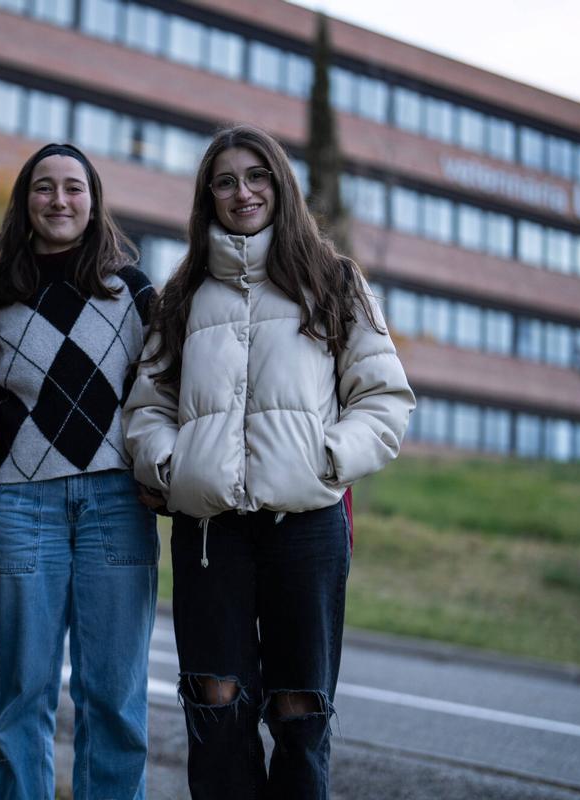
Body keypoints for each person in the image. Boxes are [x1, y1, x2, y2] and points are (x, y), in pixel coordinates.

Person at [123, 124, 415, 799]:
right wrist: (173, 468)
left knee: (299, 708)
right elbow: (147, 407)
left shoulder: (332, 280)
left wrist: (324, 459)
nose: (242, 192)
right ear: (209, 198)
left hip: (307, 526)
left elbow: (383, 397)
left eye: (256, 177)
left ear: (280, 185)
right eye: (225, 181)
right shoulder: (183, 293)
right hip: (210, 531)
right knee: (216, 701)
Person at [0, 142, 158, 800]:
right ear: (25, 202)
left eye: (73, 188)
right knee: (24, 696)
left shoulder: (135, 295)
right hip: (22, 509)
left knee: (114, 701)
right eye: (43, 188)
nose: (58, 200)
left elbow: (166, 396)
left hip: (118, 507)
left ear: (93, 204)